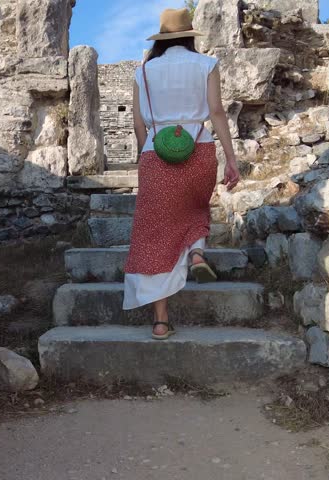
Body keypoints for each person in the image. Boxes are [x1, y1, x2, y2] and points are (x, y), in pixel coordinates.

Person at [122, 8, 240, 340]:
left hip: (157, 154)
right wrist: (231, 158)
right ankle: (197, 252)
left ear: (160, 39)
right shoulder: (206, 65)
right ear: (189, 35)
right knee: (194, 207)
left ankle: (160, 321)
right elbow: (216, 112)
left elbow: (137, 124)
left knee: (154, 236)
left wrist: (150, 152)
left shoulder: (143, 72)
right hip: (199, 148)